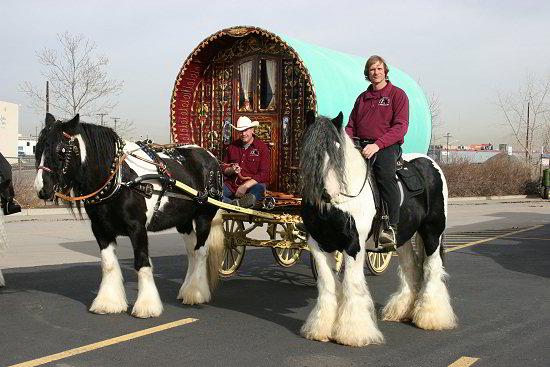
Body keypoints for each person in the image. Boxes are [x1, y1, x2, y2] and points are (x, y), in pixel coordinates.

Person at [345, 55, 409, 248]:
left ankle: (391, 227)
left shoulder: (397, 95)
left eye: (379, 69)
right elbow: (351, 125)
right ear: (368, 73)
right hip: (360, 145)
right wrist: (346, 143)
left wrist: (378, 145)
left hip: (386, 146)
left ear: (385, 71)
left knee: (384, 176)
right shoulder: (362, 98)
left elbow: (400, 127)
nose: (376, 72)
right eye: (372, 69)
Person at [222, 116, 270, 208]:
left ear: (252, 130)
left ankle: (232, 205)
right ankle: (235, 205)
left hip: (253, 185)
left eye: (246, 130)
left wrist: (245, 186)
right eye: (241, 131)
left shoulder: (262, 148)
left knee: (259, 189)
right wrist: (231, 170)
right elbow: (224, 169)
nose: (243, 134)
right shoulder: (232, 147)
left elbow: (264, 174)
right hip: (232, 185)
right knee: (214, 193)